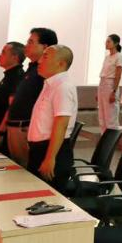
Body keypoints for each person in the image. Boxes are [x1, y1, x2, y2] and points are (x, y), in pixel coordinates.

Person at [27, 44, 77, 193]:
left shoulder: (63, 86)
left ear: (61, 63)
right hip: (40, 150)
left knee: (48, 199)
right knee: (35, 196)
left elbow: (61, 124)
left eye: (45, 57)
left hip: (52, 151)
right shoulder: (50, 84)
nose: (39, 61)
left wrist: (50, 158)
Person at [5, 28, 57, 167]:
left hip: (26, 128)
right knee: (17, 169)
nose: (26, 45)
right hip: (16, 127)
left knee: (25, 171)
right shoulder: (32, 68)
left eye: (31, 42)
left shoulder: (45, 72)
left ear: (45, 47)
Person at [0, 42, 25, 152]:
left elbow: (11, 108)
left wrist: (0, 133)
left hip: (3, 134)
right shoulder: (9, 76)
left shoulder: (17, 78)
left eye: (3, 52)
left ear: (15, 57)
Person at [97, 34, 122, 131]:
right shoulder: (107, 57)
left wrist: (114, 91)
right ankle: (104, 137)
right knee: (102, 116)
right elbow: (103, 74)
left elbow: (118, 76)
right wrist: (99, 90)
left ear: (116, 43)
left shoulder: (119, 57)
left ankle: (112, 139)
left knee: (110, 116)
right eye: (106, 41)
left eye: (109, 41)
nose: (106, 43)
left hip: (110, 85)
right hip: (102, 85)